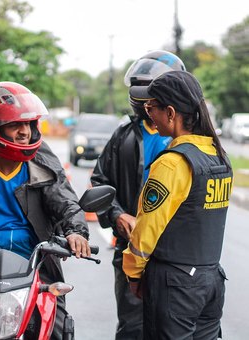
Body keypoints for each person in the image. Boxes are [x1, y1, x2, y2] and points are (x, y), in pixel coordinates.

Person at [0, 81, 91, 340]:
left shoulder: (43, 166)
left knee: (54, 324)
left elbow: (66, 204)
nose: (25, 132)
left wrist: (76, 232)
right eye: (15, 124)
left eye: (29, 124)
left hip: (34, 264)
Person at [123, 70, 233, 339]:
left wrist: (134, 273)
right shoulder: (218, 157)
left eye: (151, 108)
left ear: (171, 113)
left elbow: (148, 229)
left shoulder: (173, 163)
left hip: (175, 285)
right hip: (211, 280)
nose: (149, 115)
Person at [91, 50, 186, 340]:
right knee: (133, 328)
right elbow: (99, 182)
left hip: (179, 257)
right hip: (132, 250)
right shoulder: (124, 137)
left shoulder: (191, 140)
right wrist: (118, 214)